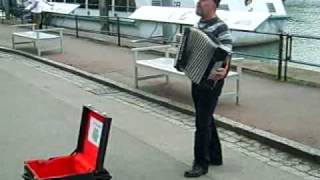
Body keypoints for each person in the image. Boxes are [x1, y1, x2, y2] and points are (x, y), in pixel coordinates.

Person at [184, 0, 233, 178]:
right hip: (197, 78)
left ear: (212, 4)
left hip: (211, 80)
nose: (198, 3)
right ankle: (215, 156)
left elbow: (227, 51)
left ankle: (200, 164)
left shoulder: (221, 27)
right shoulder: (199, 25)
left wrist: (225, 69)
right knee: (206, 117)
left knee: (202, 122)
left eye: (202, 0)